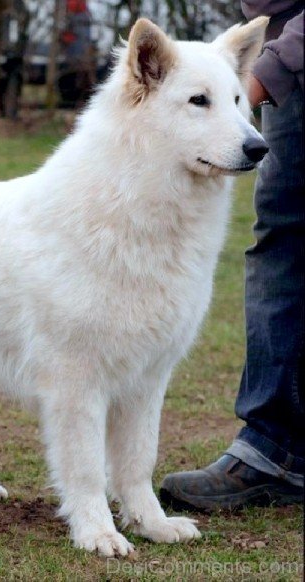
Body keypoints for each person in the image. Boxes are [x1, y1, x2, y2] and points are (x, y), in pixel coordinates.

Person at [160, 1, 304, 510]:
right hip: (286, 49)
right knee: (284, 238)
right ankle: (276, 450)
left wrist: (267, 69)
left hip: (286, 54)